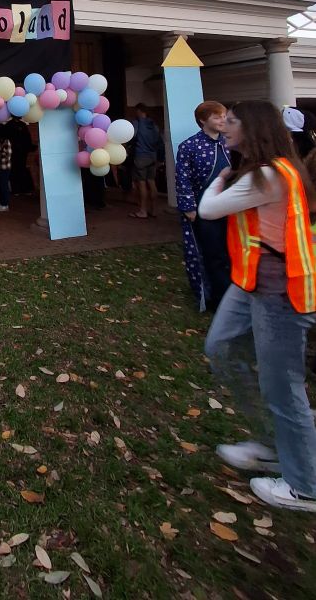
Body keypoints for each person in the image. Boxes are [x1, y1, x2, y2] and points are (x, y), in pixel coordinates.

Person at [200, 100, 316, 512]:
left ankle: (304, 485)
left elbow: (208, 209)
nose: (223, 125)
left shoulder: (269, 175)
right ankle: (271, 442)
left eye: (230, 121)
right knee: (220, 348)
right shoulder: (267, 170)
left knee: (283, 387)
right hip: (249, 282)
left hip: (281, 292)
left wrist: (221, 177)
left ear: (253, 128)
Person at [175, 101, 231, 311]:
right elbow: (183, 178)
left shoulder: (229, 144)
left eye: (224, 116)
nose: (222, 121)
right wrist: (188, 207)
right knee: (211, 252)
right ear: (203, 120)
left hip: (230, 206)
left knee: (229, 250)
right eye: (217, 117)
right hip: (203, 209)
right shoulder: (189, 146)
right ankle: (216, 296)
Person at [129, 103, 164, 219]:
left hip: (141, 156)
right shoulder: (154, 125)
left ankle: (142, 211)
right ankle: (154, 210)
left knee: (142, 183)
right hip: (152, 156)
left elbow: (131, 137)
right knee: (152, 182)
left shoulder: (137, 123)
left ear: (139, 111)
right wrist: (160, 158)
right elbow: (160, 143)